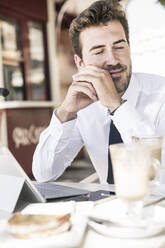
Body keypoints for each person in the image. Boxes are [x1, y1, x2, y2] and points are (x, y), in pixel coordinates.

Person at [32, 0, 165, 184]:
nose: (112, 59)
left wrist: (116, 107)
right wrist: (66, 113)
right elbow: (44, 173)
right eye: (98, 51)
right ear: (80, 64)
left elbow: (158, 174)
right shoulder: (84, 105)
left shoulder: (161, 94)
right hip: (105, 210)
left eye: (119, 46)